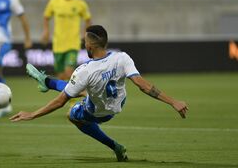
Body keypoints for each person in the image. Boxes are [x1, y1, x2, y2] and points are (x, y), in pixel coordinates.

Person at [11, 25, 189, 161]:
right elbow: (143, 85)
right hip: (119, 103)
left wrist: (32, 114)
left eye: (85, 42)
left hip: (97, 112)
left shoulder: (84, 70)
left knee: (72, 114)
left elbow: (60, 101)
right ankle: (47, 81)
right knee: (85, 89)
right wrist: (173, 101)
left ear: (90, 45)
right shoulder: (122, 57)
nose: (84, 45)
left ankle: (115, 146)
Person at [41, 0, 91, 83]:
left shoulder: (80, 4)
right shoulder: (54, 2)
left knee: (69, 72)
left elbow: (87, 19)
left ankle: (75, 96)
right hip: (58, 44)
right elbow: (46, 17)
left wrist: (85, 34)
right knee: (61, 76)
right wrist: (46, 31)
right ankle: (66, 98)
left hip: (73, 44)